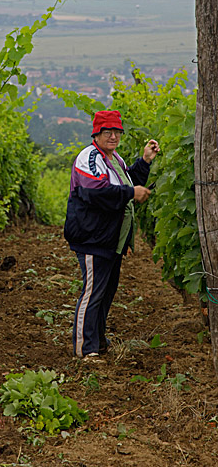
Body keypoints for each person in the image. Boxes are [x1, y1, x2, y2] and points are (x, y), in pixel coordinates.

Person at [64, 109, 160, 358]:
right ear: (97, 134)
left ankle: (98, 341)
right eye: (108, 132)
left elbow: (127, 183)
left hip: (109, 239)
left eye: (117, 132)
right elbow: (96, 192)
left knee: (105, 293)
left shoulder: (113, 158)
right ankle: (85, 350)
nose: (114, 137)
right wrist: (131, 194)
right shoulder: (90, 157)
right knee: (93, 292)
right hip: (92, 237)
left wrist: (145, 161)